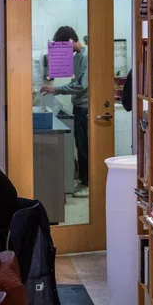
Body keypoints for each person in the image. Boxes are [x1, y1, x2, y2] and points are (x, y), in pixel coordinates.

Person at [41, 26, 89, 198]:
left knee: (85, 146)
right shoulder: (77, 57)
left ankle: (88, 184)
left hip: (86, 107)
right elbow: (69, 75)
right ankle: (84, 179)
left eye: (64, 47)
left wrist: (56, 90)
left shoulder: (86, 57)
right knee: (80, 145)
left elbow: (81, 85)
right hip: (79, 106)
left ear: (70, 41)